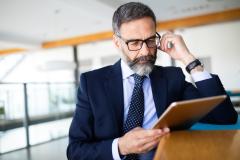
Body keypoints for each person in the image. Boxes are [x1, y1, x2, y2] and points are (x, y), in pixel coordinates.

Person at [67, 2, 238, 160]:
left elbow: (224, 117)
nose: (145, 52)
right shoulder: (91, 83)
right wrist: (121, 147)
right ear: (117, 43)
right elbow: (75, 150)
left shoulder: (172, 78)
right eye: (134, 43)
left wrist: (188, 59)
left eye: (150, 40)